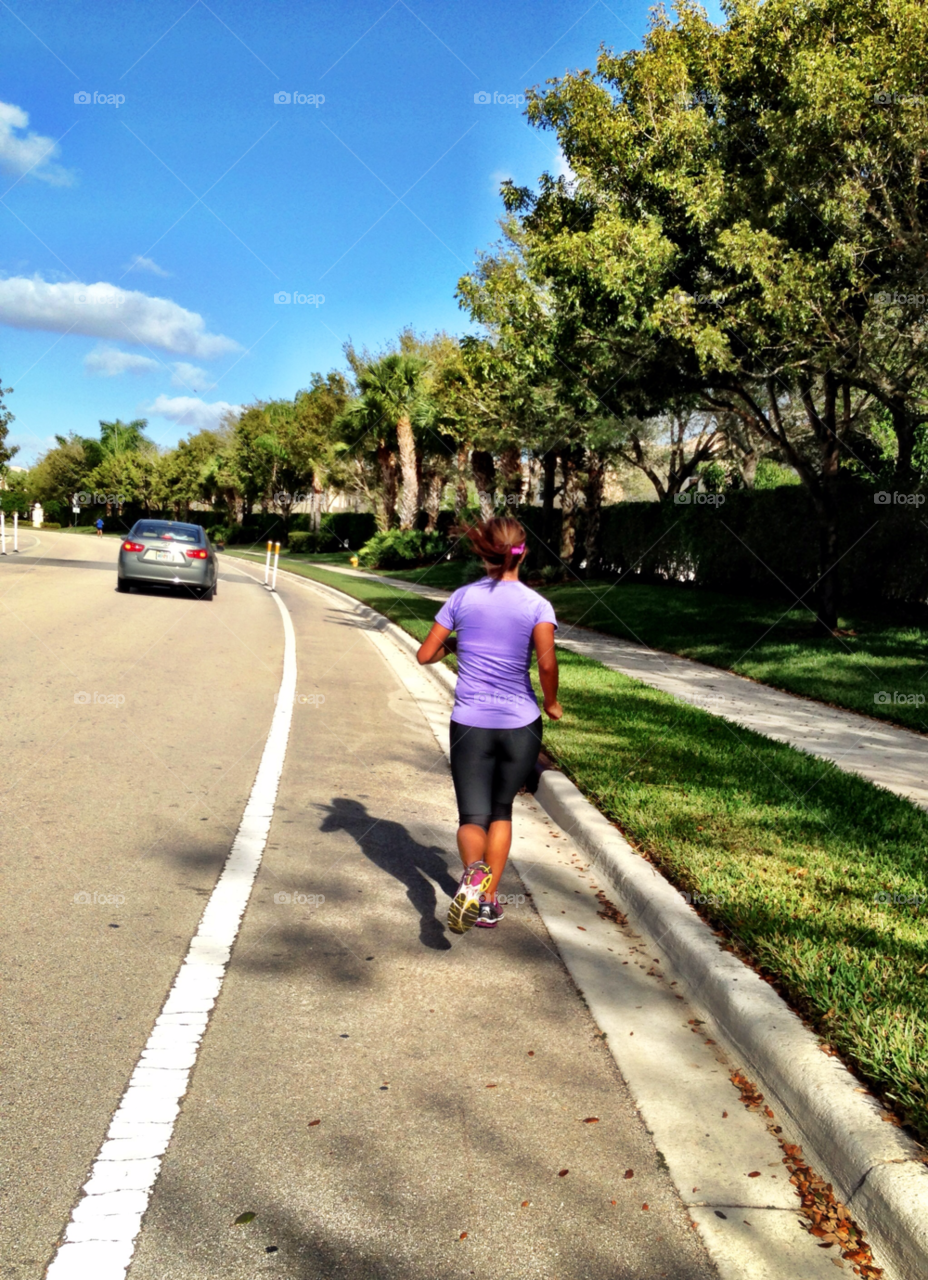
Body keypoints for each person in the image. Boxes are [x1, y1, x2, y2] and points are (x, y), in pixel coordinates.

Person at [417, 516, 562, 934]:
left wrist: (458, 643)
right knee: (502, 811)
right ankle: (488, 902)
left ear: (484, 552)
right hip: (521, 726)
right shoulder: (538, 605)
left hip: (471, 726)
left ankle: (472, 876)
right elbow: (547, 662)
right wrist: (551, 702)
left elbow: (425, 655)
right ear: (523, 553)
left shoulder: (462, 598)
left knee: (471, 817)